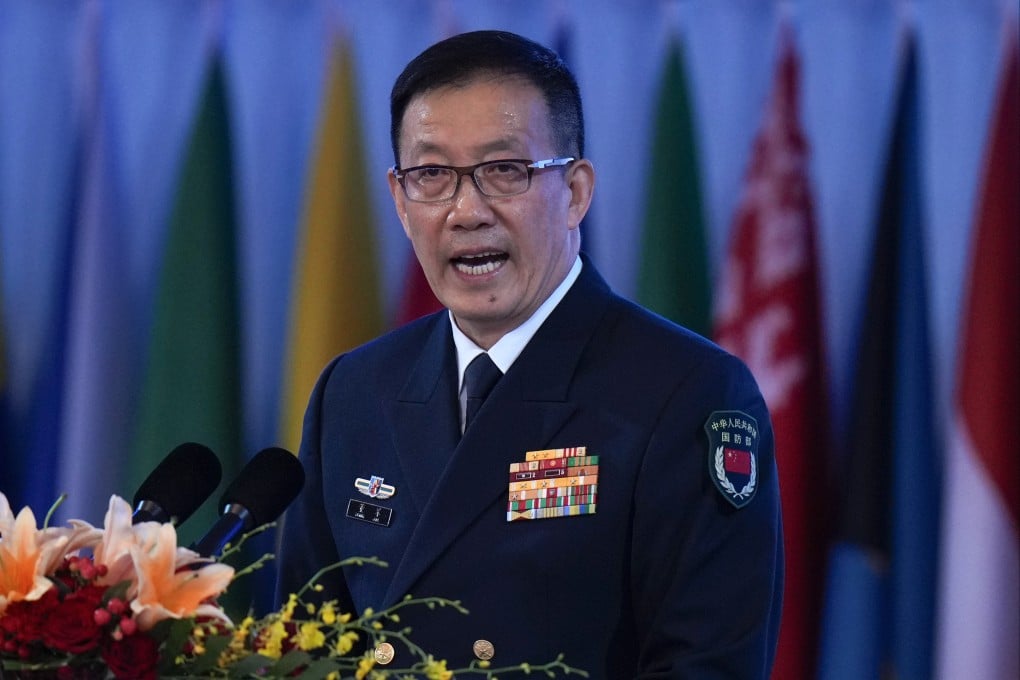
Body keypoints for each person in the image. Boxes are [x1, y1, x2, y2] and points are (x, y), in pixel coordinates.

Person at [275, 29, 783, 678]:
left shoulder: (689, 393)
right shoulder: (353, 390)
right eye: (432, 175)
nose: (466, 211)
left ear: (575, 192)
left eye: (504, 171)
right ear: (400, 200)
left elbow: (706, 667)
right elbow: (304, 649)